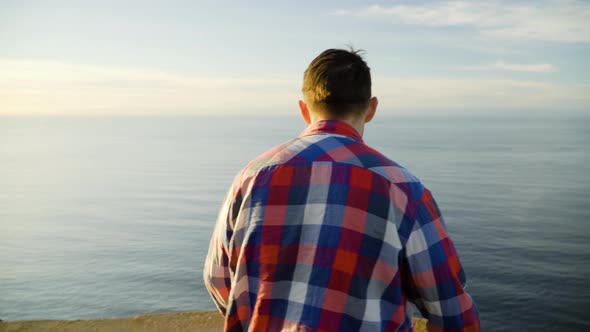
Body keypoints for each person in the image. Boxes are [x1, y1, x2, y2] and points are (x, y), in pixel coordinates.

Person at [203, 48, 480, 331]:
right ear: (371, 109)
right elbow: (451, 310)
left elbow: (218, 280)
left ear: (303, 109)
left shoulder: (251, 178)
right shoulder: (403, 189)